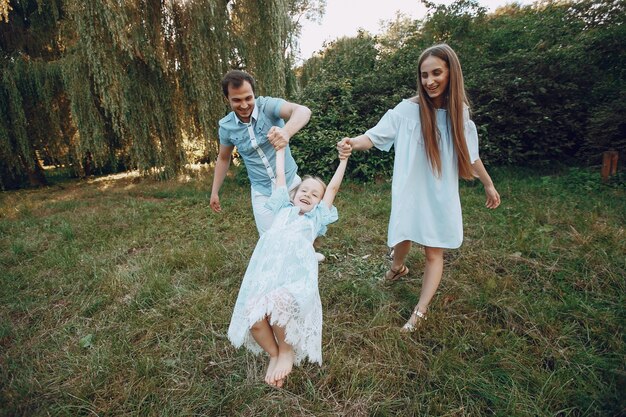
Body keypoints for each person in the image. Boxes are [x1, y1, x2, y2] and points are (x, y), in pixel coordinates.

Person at [337, 43, 500, 332]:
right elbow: (373, 137)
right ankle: (396, 267)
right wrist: (352, 141)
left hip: (439, 195)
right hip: (409, 191)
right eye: (424, 75)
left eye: (436, 73)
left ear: (451, 72)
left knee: (432, 252)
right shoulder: (405, 111)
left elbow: (472, 155)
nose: (430, 81)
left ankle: (420, 311)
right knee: (402, 237)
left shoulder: (459, 114)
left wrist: (488, 184)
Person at [227, 145, 349, 388]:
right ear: (294, 195)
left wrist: (343, 160)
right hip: (269, 275)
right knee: (254, 318)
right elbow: (280, 176)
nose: (307, 194)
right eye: (304, 190)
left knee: (279, 306)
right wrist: (280, 150)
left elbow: (333, 188)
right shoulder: (283, 208)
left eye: (315, 194)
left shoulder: (315, 219)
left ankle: (286, 351)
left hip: (295, 280)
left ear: (319, 203)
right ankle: (273, 353)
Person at [211, 70, 328, 261]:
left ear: (254, 94)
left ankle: (305, 254)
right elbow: (224, 158)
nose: (244, 105)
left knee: (301, 229)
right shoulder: (226, 127)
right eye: (236, 100)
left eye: (248, 98)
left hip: (291, 185)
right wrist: (215, 191)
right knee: (270, 239)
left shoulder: (268, 106)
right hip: (262, 191)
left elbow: (303, 111)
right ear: (227, 99)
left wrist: (286, 132)